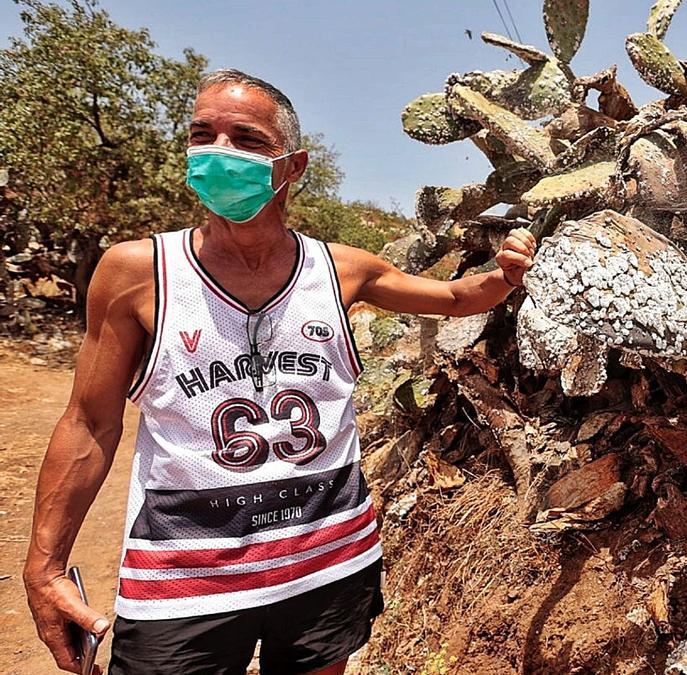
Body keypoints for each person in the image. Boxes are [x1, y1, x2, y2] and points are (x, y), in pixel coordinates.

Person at [23, 69, 537, 675]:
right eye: (201, 134)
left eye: (246, 138)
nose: (218, 153)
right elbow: (89, 422)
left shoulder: (342, 270)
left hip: (328, 563)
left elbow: (453, 298)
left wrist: (504, 276)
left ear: (292, 166)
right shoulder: (138, 272)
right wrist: (45, 566)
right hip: (183, 582)